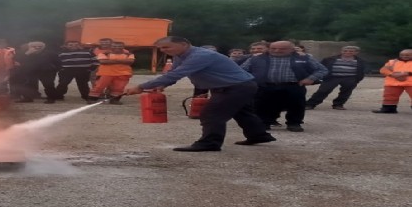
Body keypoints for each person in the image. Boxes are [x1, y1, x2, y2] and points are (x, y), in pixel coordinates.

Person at [124, 36, 274, 152]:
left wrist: (140, 86)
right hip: (234, 86)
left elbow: (177, 74)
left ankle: (210, 143)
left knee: (211, 114)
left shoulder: (201, 55)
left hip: (236, 87)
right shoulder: (179, 56)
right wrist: (162, 85)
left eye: (166, 47)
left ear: (183, 44)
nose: (163, 50)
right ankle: (259, 135)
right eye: (161, 48)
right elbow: (172, 74)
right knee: (243, 113)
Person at [241, 41, 327, 132]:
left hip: (293, 86)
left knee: (296, 105)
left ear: (292, 49)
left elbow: (322, 70)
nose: (277, 51)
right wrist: (252, 80)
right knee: (262, 105)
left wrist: (311, 78)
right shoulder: (256, 58)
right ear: (269, 48)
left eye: (282, 49)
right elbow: (242, 70)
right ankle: (264, 123)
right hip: (265, 86)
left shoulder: (304, 57)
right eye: (273, 48)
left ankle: (294, 123)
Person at [306, 46, 367, 110]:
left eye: (351, 51)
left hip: (350, 78)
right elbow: (321, 67)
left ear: (356, 52)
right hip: (332, 77)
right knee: (323, 90)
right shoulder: (329, 59)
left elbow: (362, 71)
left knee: (346, 92)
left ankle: (338, 104)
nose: (347, 52)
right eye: (345, 51)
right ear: (341, 51)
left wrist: (357, 79)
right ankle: (310, 104)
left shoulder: (360, 61)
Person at [371, 49, 412, 114]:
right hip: (393, 83)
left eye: (407, 55)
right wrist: (392, 74)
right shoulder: (392, 62)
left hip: (411, 83)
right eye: (402, 55)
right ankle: (388, 109)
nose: (404, 56)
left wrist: (407, 73)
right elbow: (383, 70)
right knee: (389, 96)